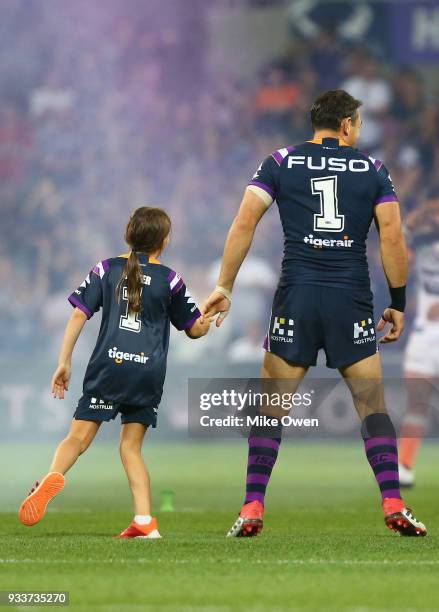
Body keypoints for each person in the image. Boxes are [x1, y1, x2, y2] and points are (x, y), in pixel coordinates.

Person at [203, 90, 427, 537]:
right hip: (350, 299)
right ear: (346, 125)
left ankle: (251, 507)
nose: (359, 131)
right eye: (358, 124)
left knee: (270, 409)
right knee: (372, 407)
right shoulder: (373, 169)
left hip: (298, 296)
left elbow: (245, 222)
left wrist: (224, 285)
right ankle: (393, 502)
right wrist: (398, 303)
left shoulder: (280, 161)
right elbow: (392, 238)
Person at [19, 207, 213, 538]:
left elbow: (78, 315)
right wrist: (210, 319)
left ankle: (52, 477)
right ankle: (144, 521)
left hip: (109, 366)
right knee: (130, 448)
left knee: (77, 438)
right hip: (147, 370)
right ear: (163, 241)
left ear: (129, 233)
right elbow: (194, 330)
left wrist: (64, 361)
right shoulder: (170, 278)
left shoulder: (106, 269)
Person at [399, 191, 439, 487]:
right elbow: (396, 253)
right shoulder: (424, 245)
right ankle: (405, 465)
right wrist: (413, 220)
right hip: (426, 334)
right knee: (418, 401)